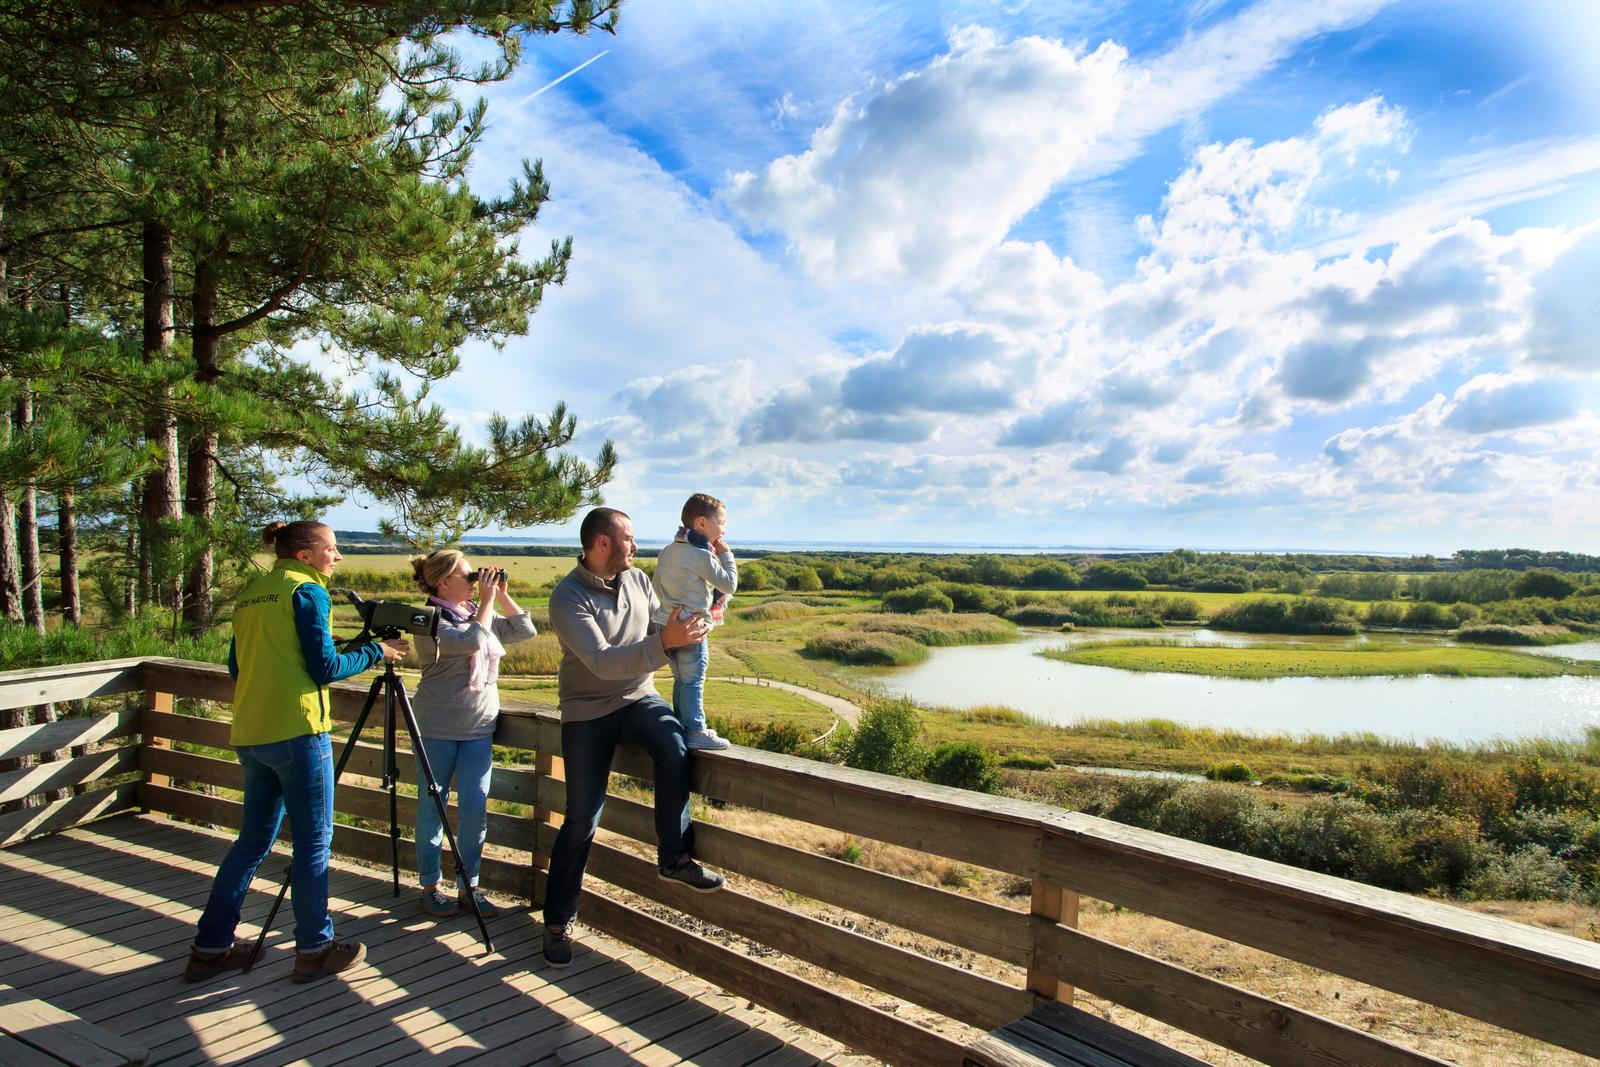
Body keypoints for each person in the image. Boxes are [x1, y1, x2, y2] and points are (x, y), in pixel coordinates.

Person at [185, 520, 408, 984]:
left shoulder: (252, 594)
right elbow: (324, 668)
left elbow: (236, 665)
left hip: (252, 731)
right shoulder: (307, 592)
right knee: (312, 845)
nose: (338, 557)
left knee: (251, 842)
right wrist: (376, 652)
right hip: (300, 730)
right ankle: (315, 949)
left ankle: (210, 948)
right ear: (306, 555)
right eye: (332, 548)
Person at [541, 507, 726, 968]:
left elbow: (652, 635)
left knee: (673, 743)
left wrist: (687, 631)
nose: (636, 546)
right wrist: (665, 642)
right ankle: (557, 922)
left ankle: (673, 857)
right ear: (602, 543)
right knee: (582, 818)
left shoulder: (640, 581)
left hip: (637, 696)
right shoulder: (567, 598)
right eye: (629, 538)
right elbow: (602, 662)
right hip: (587, 710)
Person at [407, 549, 537, 919]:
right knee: (433, 809)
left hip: (479, 727)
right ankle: (431, 886)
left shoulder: (474, 613)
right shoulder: (429, 619)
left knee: (475, 810)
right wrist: (487, 601)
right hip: (437, 727)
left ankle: (469, 886)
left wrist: (502, 592)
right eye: (468, 576)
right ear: (443, 581)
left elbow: (526, 629)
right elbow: (472, 642)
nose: (475, 582)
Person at [650, 493, 737, 750]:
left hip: (665, 622)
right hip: (691, 626)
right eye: (720, 522)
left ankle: (680, 724)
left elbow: (656, 585)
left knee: (681, 678)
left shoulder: (668, 550)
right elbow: (728, 584)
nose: (724, 528)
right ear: (702, 523)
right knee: (694, 678)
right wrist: (727, 556)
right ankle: (696, 729)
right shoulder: (702, 555)